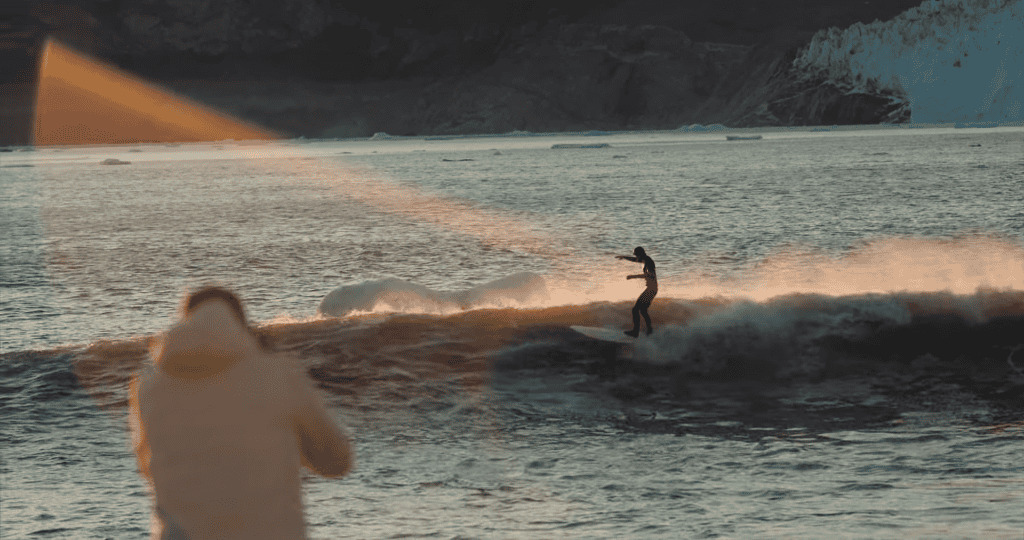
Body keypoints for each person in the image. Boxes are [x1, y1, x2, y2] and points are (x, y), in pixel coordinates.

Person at [128, 286, 354, 539]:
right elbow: (336, 461)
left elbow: (149, 468)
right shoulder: (276, 375)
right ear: (240, 324)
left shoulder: (147, 388)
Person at [616, 246, 657, 337]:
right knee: (643, 310)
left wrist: (633, 277)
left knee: (635, 309)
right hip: (652, 289)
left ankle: (636, 332)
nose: (636, 257)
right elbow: (634, 260)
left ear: (640, 254)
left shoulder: (648, 262)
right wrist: (624, 257)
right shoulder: (645, 259)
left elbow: (650, 276)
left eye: (636, 255)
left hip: (651, 289)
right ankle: (649, 330)